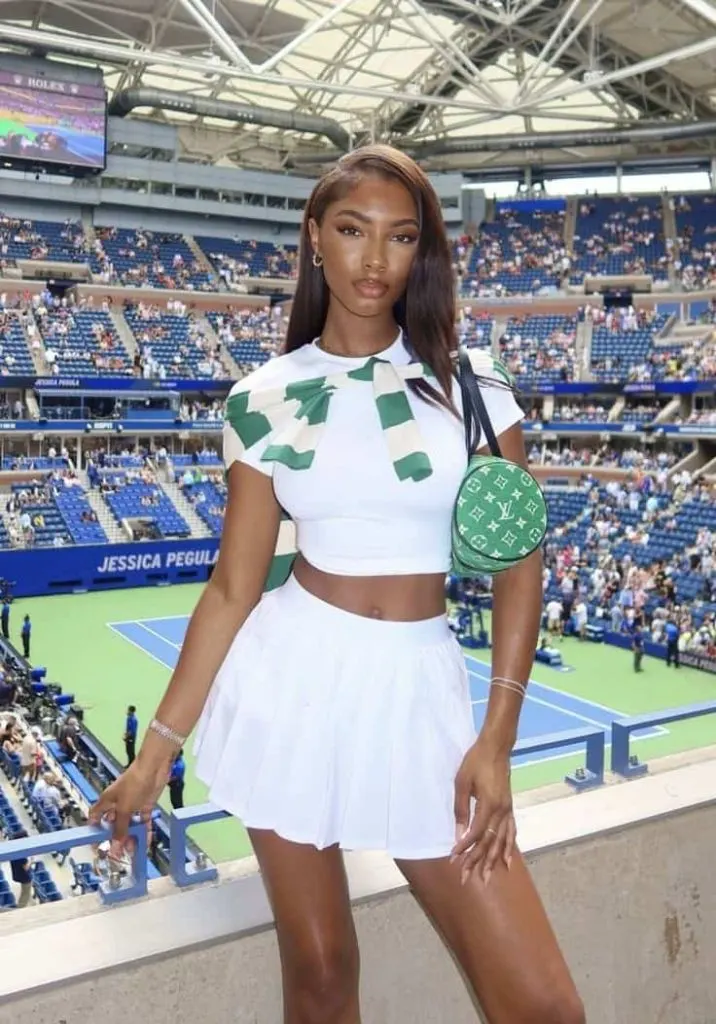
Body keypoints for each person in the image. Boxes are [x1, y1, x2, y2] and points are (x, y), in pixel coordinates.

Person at [90, 145, 584, 1024]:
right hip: (292, 684)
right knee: (319, 975)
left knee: (544, 1006)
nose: (373, 259)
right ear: (315, 238)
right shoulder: (265, 397)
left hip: (422, 694)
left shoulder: (476, 387)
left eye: (399, 237)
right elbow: (233, 588)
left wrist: (497, 737)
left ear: (420, 253)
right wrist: (152, 756)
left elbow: (520, 565)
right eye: (352, 230)